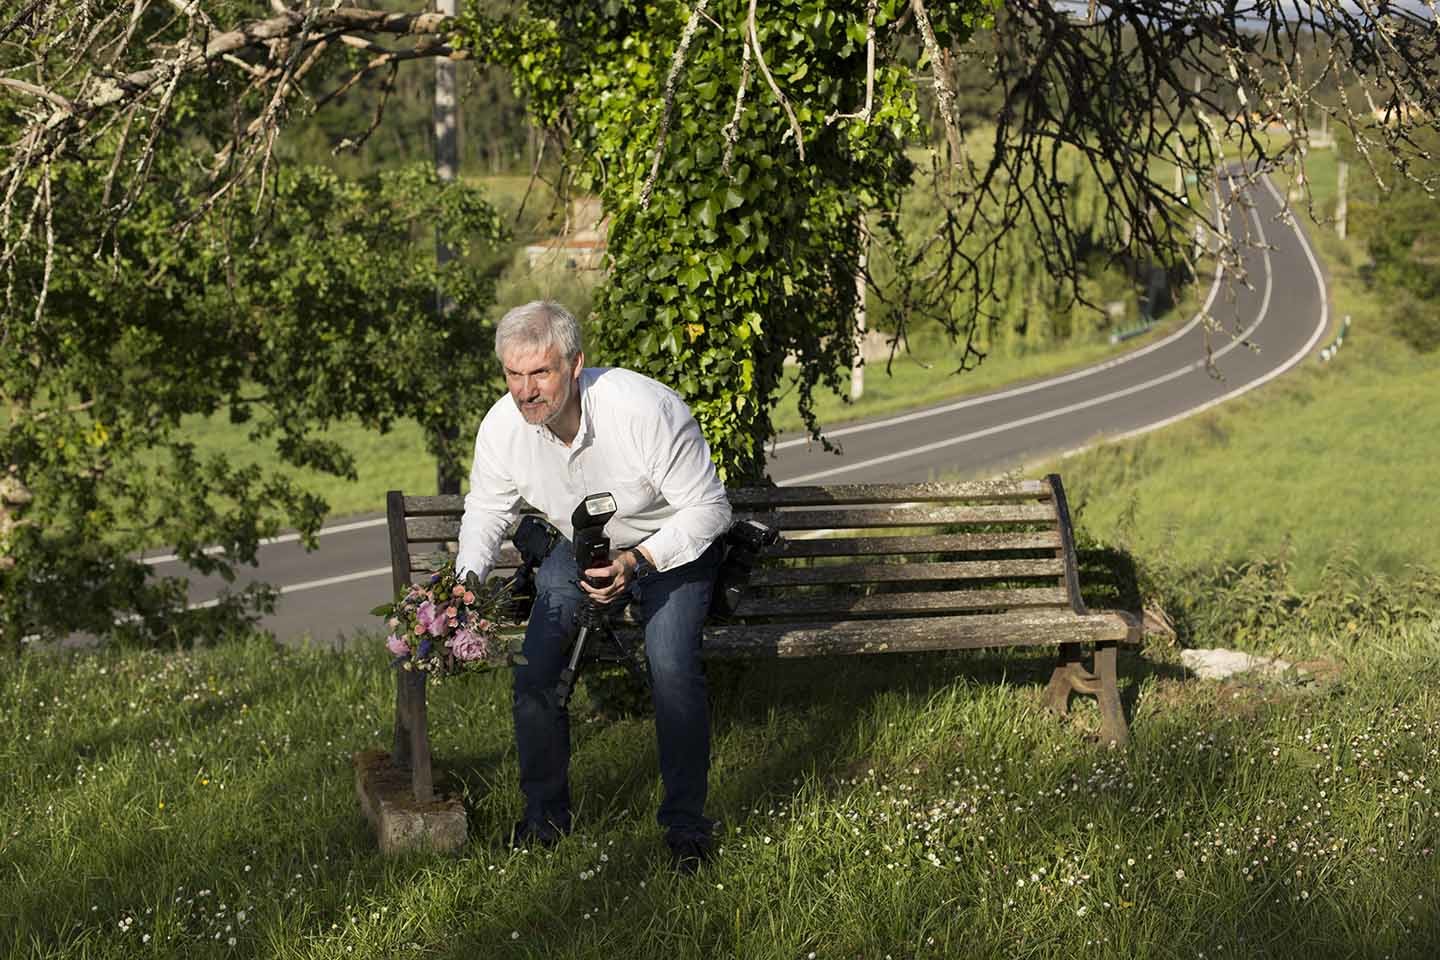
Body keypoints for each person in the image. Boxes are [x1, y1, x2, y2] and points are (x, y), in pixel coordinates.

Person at [455, 300, 732, 874]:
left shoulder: (644, 409)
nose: (526, 391)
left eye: (541, 372)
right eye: (513, 374)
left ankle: (686, 828)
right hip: (580, 546)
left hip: (670, 544)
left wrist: (638, 561)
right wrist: (464, 586)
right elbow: (486, 512)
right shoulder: (502, 426)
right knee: (534, 670)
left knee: (671, 666)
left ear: (575, 363)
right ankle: (544, 821)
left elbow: (709, 509)